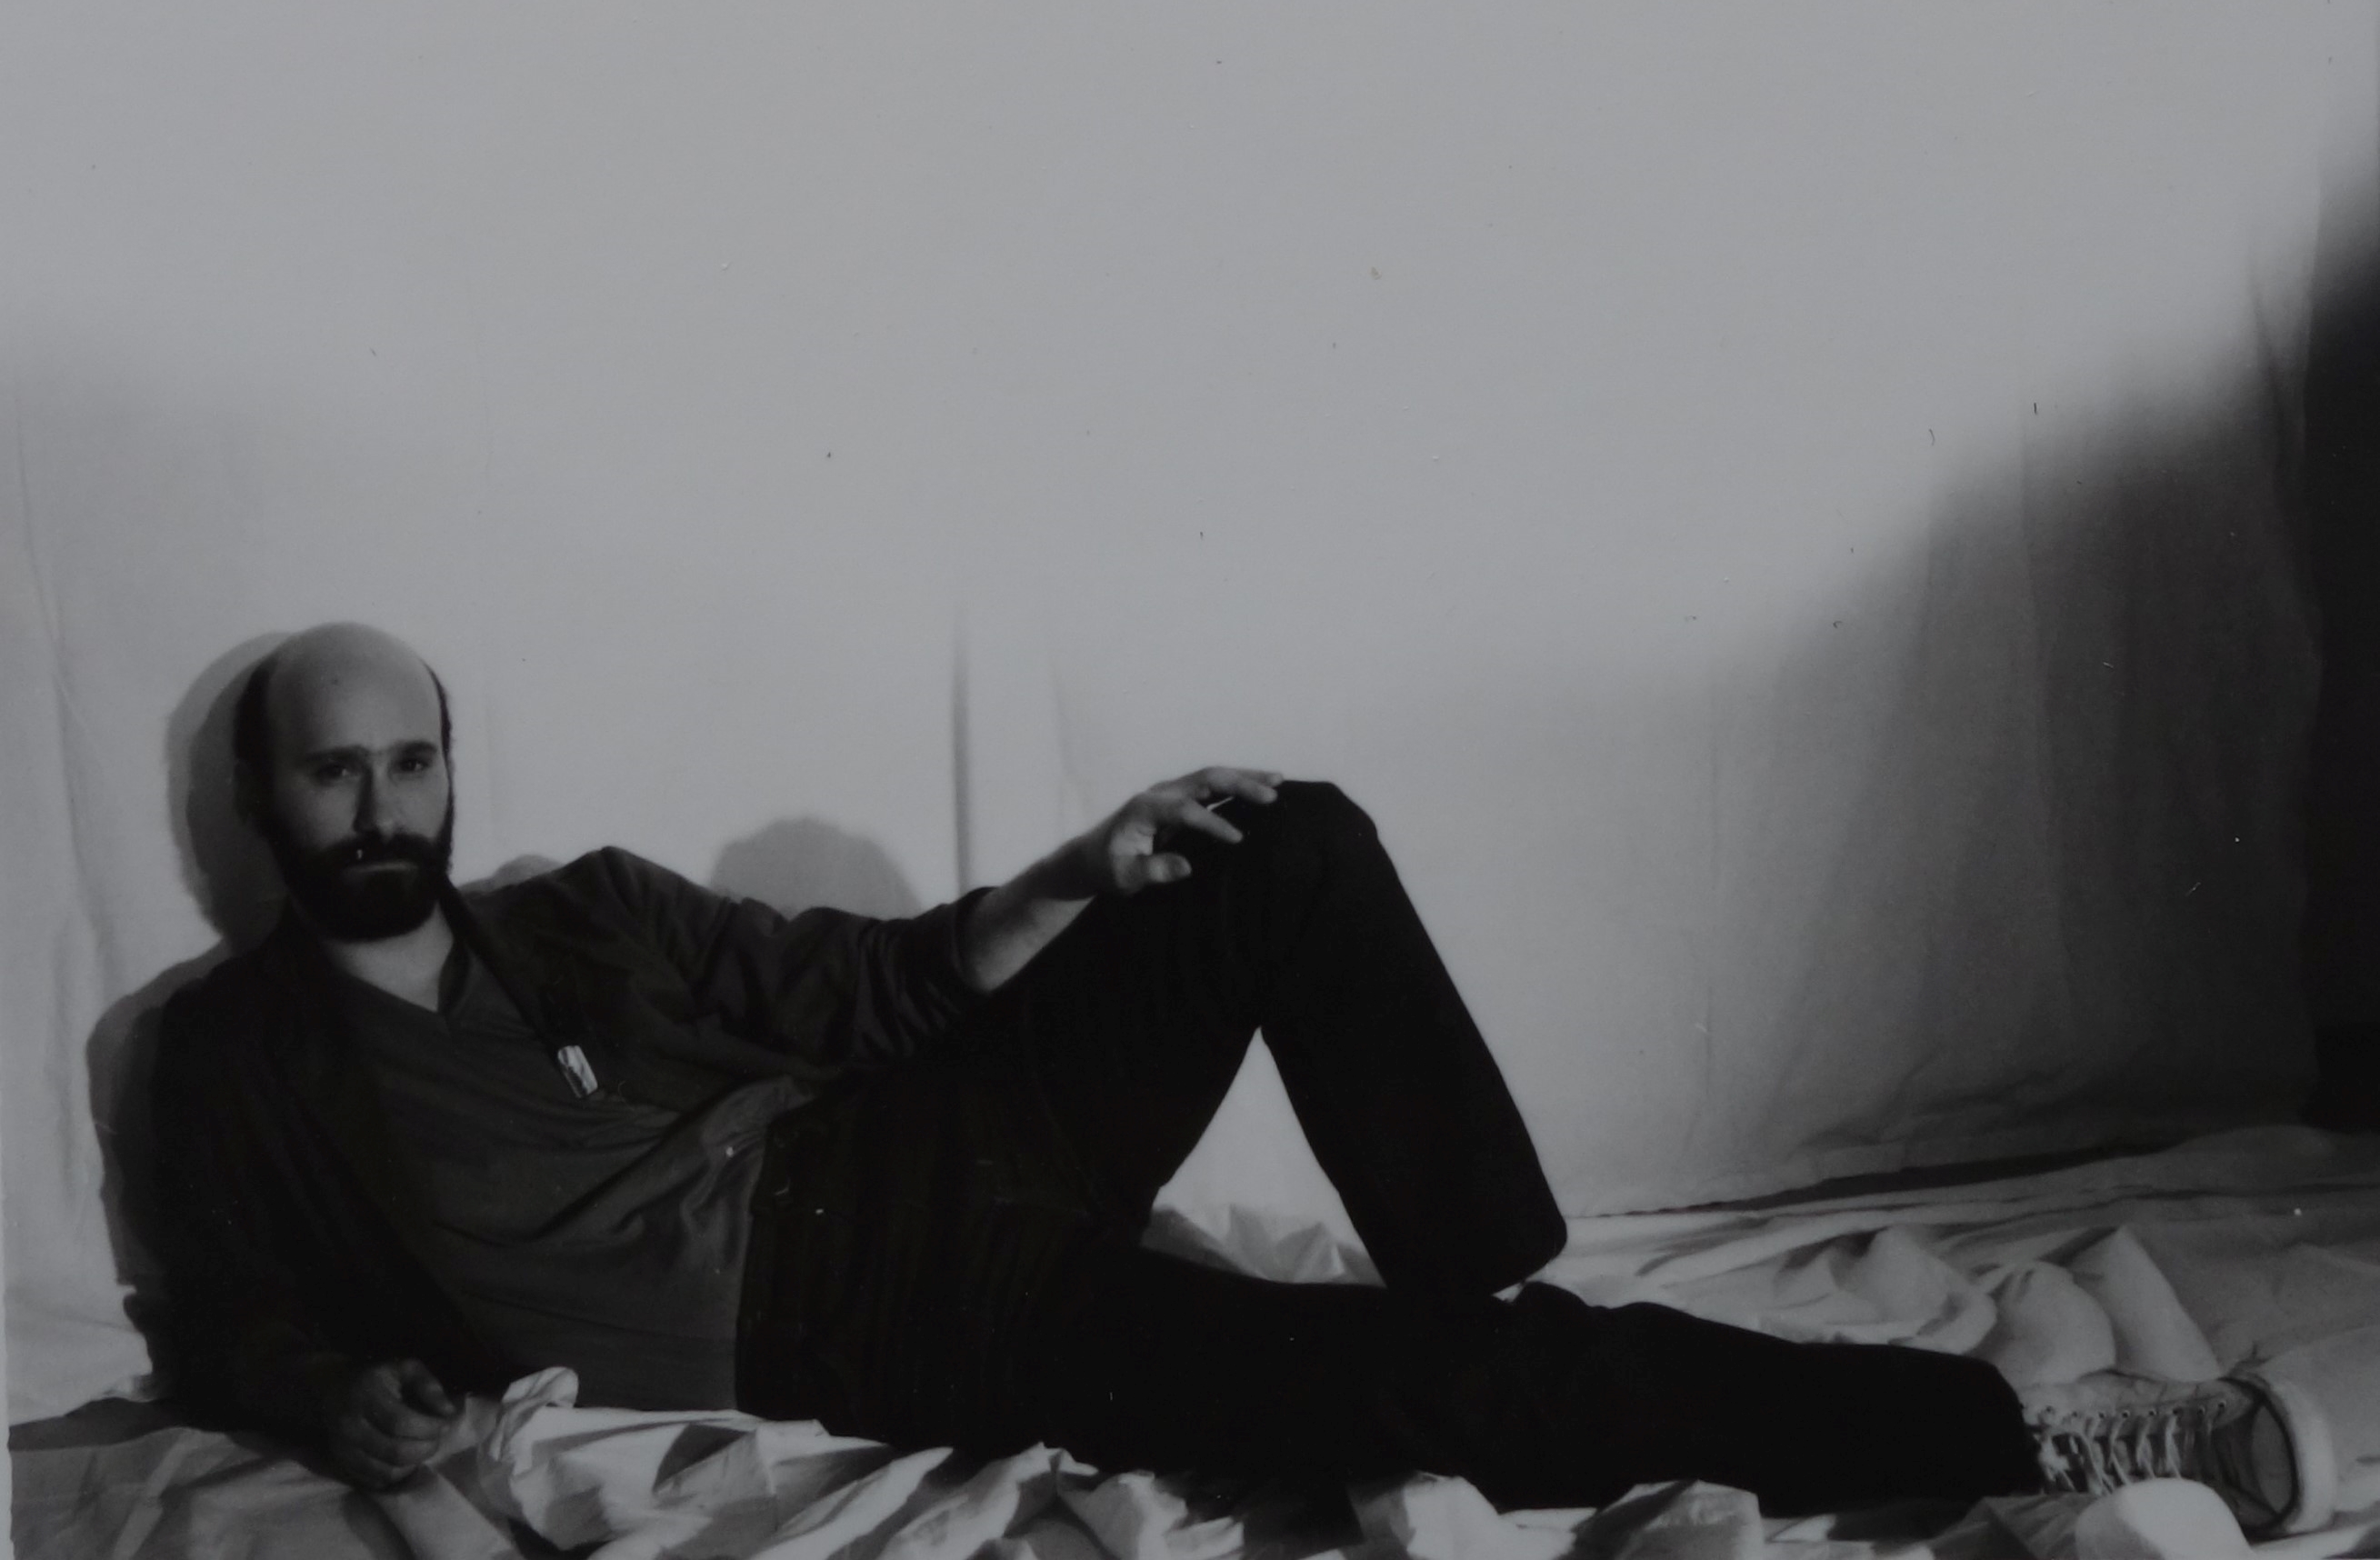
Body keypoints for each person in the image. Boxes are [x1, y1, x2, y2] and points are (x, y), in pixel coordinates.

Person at [150, 623, 2335, 1535]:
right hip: (887, 1312)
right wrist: (337, 1397)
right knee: (1457, 1394)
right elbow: (225, 1314)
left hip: (925, 1141)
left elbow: (874, 989)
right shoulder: (233, 1056)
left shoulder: (580, 915)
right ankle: (2027, 1435)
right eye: (335, 774)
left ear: (451, 769)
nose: (381, 806)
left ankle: (1476, 1288)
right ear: (268, 798)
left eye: (409, 762)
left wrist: (1079, 877)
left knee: (1275, 837)